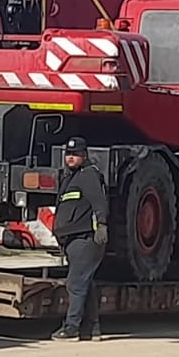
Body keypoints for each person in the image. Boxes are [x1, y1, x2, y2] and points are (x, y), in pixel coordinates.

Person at [51, 136, 109, 341]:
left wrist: (102, 225)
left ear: (84, 155)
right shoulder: (71, 177)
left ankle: (71, 328)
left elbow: (99, 202)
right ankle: (92, 329)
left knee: (75, 283)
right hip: (73, 240)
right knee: (86, 283)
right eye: (68, 154)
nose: (71, 157)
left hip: (86, 238)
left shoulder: (89, 175)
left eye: (75, 154)